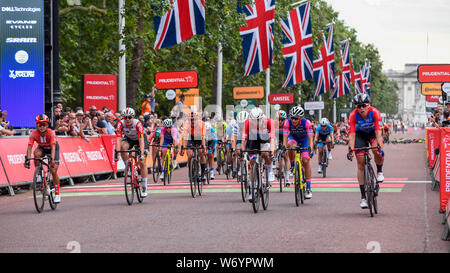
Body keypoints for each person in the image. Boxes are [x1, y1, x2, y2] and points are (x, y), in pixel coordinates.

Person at [347, 93, 385, 209]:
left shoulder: (375, 113)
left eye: (363, 105)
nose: (361, 108)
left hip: (373, 133)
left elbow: (379, 133)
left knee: (376, 150)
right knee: (360, 161)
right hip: (360, 135)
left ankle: (379, 171)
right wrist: (350, 150)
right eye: (358, 106)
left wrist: (380, 147)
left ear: (368, 105)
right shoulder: (353, 115)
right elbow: (352, 135)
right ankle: (363, 197)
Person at [24, 115, 61, 203]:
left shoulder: (51, 133)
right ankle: (40, 175)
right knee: (36, 154)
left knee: (53, 170)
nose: (41, 127)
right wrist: (28, 159)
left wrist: (52, 160)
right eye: (39, 124)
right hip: (42, 148)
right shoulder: (34, 133)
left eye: (44, 124)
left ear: (47, 125)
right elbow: (29, 147)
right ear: (37, 125)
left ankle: (57, 193)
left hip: (53, 148)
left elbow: (52, 147)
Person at [241, 107, 275, 201]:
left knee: (265, 152)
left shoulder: (268, 121)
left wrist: (271, 152)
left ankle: (270, 170)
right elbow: (244, 140)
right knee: (252, 163)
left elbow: (272, 140)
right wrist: (243, 152)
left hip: (265, 138)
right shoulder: (248, 122)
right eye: (253, 120)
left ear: (262, 118)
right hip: (253, 139)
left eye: (257, 120)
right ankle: (253, 190)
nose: (255, 122)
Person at [115, 107, 149, 197]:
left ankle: (145, 186)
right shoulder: (120, 124)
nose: (127, 119)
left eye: (129, 117)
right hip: (129, 139)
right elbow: (118, 139)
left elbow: (141, 140)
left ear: (133, 117)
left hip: (140, 139)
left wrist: (141, 154)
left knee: (142, 162)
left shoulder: (137, 124)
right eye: (125, 117)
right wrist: (116, 152)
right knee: (123, 147)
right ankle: (129, 167)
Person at [283, 106, 314, 199]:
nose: (293, 120)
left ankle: (308, 188)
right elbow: (285, 137)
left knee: (305, 161)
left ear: (300, 118)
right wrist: (284, 147)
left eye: (296, 118)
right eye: (292, 118)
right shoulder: (287, 122)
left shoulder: (306, 123)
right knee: (290, 146)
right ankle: (292, 166)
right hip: (293, 138)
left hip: (304, 140)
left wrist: (310, 149)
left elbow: (310, 139)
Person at [180, 111, 208, 181]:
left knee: (201, 152)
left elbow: (203, 137)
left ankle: (203, 173)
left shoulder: (202, 124)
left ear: (197, 119)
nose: (192, 121)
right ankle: (191, 171)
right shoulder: (186, 125)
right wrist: (183, 148)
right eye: (191, 120)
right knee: (189, 154)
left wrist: (203, 146)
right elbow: (185, 138)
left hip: (200, 138)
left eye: (194, 120)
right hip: (191, 138)